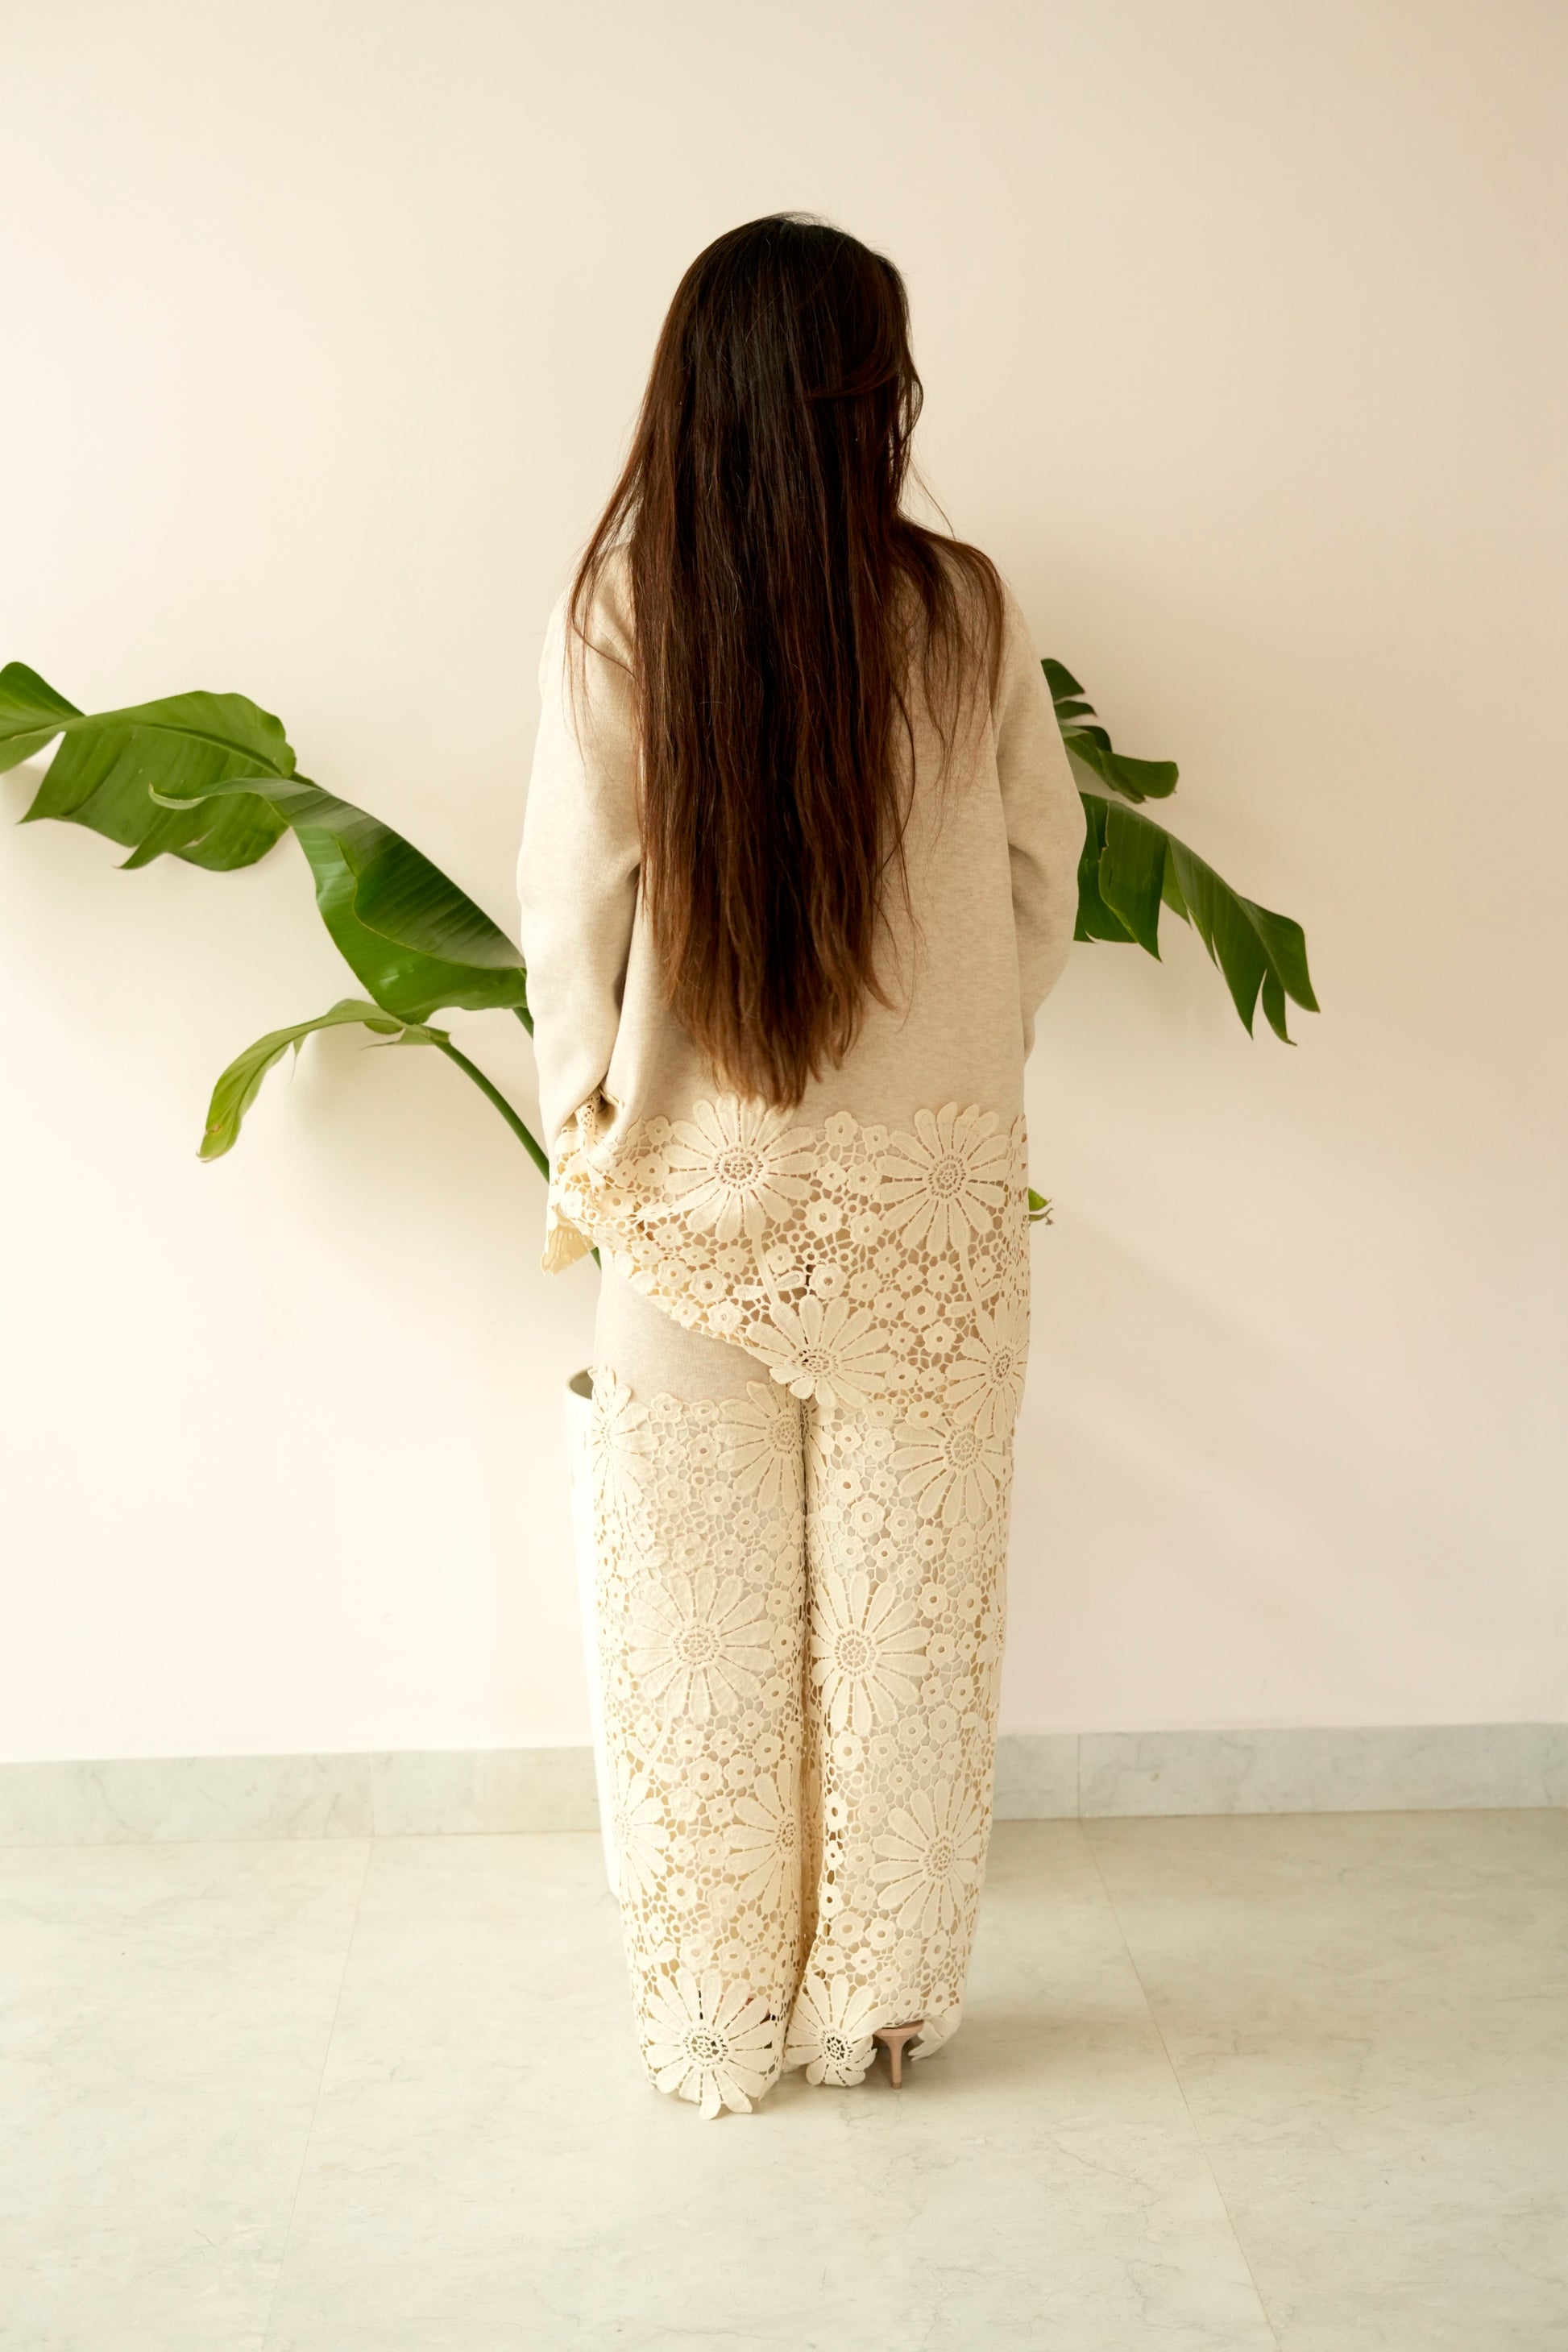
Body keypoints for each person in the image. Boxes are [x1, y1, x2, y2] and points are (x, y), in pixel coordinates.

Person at [517, 214, 1084, 2118]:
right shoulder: (966, 609)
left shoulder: (626, 605)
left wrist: (588, 1121)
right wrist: (961, 1062)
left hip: (696, 1204)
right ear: (869, 389)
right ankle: (879, 2009)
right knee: (910, 1627)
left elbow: (570, 905)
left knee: (694, 1638)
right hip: (929, 1213)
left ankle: (717, 2016)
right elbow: (1039, 877)